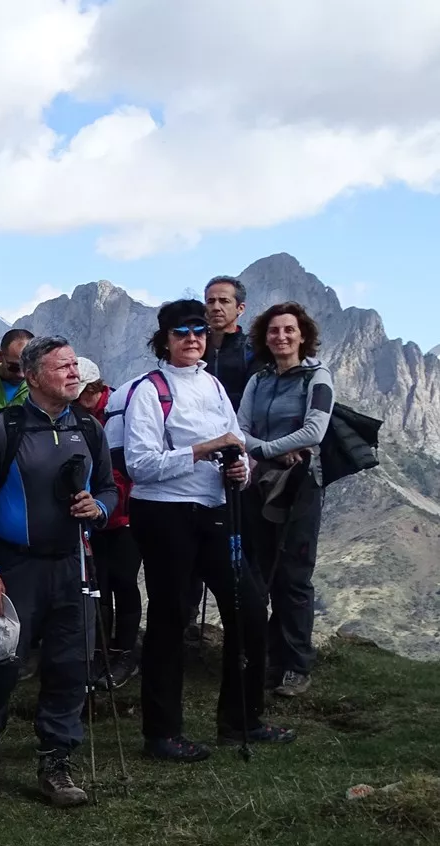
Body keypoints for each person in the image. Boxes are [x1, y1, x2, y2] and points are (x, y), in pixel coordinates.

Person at [124, 300, 290, 763]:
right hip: (164, 514)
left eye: (199, 330)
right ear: (164, 339)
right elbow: (140, 466)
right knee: (170, 618)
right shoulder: (148, 390)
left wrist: (242, 468)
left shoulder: (214, 385)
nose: (193, 338)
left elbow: (235, 441)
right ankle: (162, 734)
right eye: (181, 332)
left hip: (216, 508)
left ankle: (242, 719)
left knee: (250, 608)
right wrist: (204, 449)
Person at [0, 335, 116, 807]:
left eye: (74, 365)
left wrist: (99, 509)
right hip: (15, 566)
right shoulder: (4, 428)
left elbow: (108, 488)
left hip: (72, 564)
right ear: (32, 376)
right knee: (0, 662)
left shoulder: (88, 427)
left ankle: (56, 763)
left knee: (70, 665)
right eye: (61, 366)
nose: (73, 373)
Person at [240, 302, 333, 699]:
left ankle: (296, 665)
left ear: (302, 335)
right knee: (261, 572)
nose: (281, 336)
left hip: (299, 486)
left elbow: (315, 430)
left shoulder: (318, 377)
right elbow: (238, 428)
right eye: (274, 330)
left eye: (289, 329)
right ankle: (267, 661)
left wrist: (264, 448)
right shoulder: (258, 380)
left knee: (293, 575)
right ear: (265, 338)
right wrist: (271, 451)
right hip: (259, 483)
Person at [84, 360, 144, 686]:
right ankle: (101, 651)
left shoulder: (121, 409)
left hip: (125, 513)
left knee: (123, 580)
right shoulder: (78, 414)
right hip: (95, 515)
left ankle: (125, 652)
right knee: (99, 583)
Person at [204, 275, 256, 408]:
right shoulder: (195, 349)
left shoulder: (252, 351)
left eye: (224, 301)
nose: (216, 307)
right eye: (210, 301)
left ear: (240, 308)